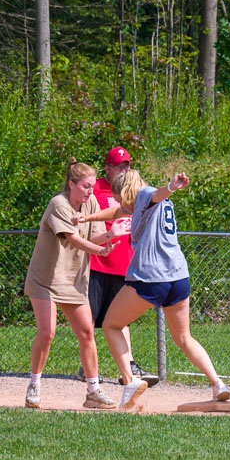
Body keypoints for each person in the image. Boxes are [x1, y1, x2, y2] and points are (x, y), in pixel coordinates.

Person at [77, 169, 230, 411]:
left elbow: (157, 194)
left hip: (151, 277)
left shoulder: (145, 195)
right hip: (179, 277)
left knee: (111, 324)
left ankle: (130, 381)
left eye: (118, 196)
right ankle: (218, 384)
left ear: (125, 191)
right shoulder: (141, 203)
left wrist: (171, 186)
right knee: (183, 337)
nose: (118, 202)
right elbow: (118, 211)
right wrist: (89, 218)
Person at [23, 159, 128, 410]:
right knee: (47, 332)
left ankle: (93, 391)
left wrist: (110, 236)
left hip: (73, 280)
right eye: (85, 186)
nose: (90, 191)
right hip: (45, 279)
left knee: (87, 333)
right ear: (71, 184)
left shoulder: (90, 203)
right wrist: (102, 252)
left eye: (92, 186)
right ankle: (34, 384)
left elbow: (93, 235)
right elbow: (74, 239)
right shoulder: (58, 204)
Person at [77, 147, 160, 386]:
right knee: (89, 318)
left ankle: (129, 369)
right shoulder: (95, 190)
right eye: (119, 167)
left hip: (123, 265)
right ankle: (87, 367)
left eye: (127, 166)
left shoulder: (135, 191)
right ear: (108, 169)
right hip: (96, 263)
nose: (124, 170)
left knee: (121, 319)